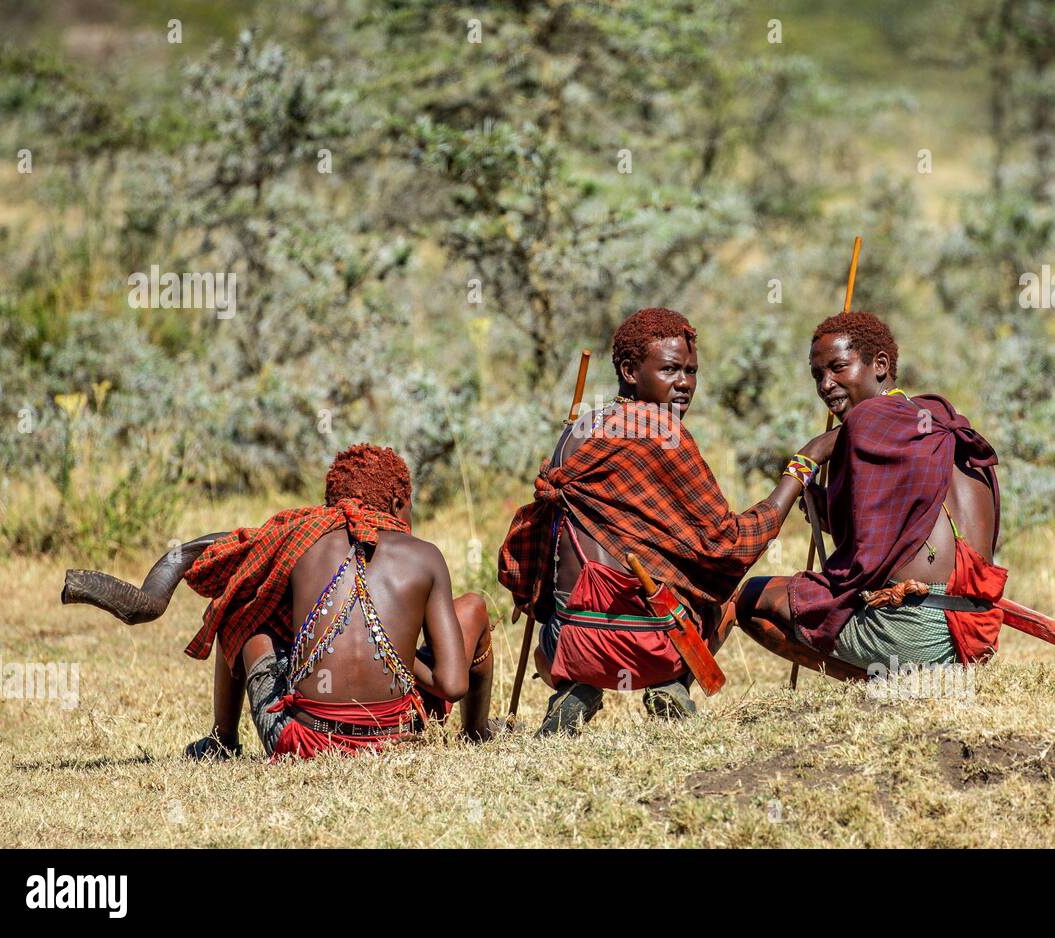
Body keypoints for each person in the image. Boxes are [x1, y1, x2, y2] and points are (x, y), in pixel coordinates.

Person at [499, 307, 837, 734]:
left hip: (569, 644)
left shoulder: (579, 429)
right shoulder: (663, 431)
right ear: (629, 370)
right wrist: (802, 467)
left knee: (551, 635)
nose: (685, 383)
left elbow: (541, 566)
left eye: (691, 371)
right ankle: (673, 682)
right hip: (654, 644)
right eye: (671, 370)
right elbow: (729, 545)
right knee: (729, 589)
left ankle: (576, 688)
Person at [63, 443, 494, 759]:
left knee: (241, 605)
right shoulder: (425, 555)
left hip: (300, 742)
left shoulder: (298, 539)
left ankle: (222, 740)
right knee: (472, 605)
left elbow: (232, 571)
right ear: (399, 502)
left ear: (333, 499)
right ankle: (477, 734)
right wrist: (399, 651)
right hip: (400, 735)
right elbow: (452, 684)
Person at [734, 311, 1007, 678]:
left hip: (916, 634)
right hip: (976, 636)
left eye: (838, 367)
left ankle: (880, 681)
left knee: (750, 597)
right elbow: (893, 529)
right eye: (818, 374)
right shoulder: (938, 418)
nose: (825, 384)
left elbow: (860, 563)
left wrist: (810, 454)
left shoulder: (868, 423)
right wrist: (829, 505)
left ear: (880, 365)